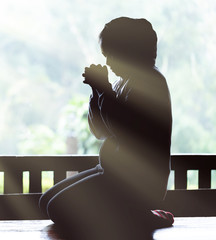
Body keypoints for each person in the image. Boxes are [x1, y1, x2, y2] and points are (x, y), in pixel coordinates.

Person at [39, 17, 174, 239]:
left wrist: (105, 89)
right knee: (46, 202)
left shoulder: (151, 82)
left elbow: (124, 130)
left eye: (111, 55)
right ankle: (133, 214)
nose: (109, 63)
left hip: (137, 184)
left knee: (58, 208)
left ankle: (138, 215)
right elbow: (100, 131)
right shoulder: (123, 83)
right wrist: (97, 91)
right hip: (112, 174)